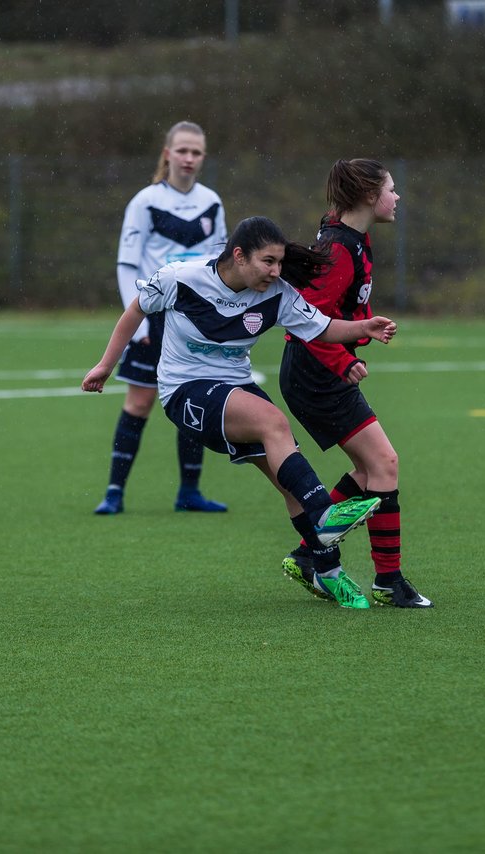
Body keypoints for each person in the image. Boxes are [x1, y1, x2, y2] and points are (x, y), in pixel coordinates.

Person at [83, 216, 397, 609]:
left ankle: (326, 571)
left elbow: (319, 328)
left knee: (289, 479)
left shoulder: (277, 293)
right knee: (274, 422)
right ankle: (324, 516)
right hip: (185, 392)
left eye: (280, 263)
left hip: (236, 388)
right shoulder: (181, 278)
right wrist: (105, 365)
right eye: (267, 261)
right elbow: (135, 311)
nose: (276, 271)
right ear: (238, 255)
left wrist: (363, 326)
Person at [278, 158, 433, 608]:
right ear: (369, 195)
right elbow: (305, 320)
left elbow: (335, 308)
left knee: (370, 471)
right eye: (391, 188)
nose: (397, 196)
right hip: (315, 372)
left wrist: (365, 326)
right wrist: (342, 358)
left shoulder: (350, 239)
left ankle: (310, 553)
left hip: (315, 370)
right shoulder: (340, 247)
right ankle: (389, 582)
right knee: (385, 463)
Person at [92, 120, 229, 515]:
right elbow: (126, 264)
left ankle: (189, 492)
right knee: (139, 402)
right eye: (182, 150)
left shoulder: (212, 202)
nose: (189, 158)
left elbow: (218, 262)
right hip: (152, 319)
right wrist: (133, 327)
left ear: (203, 157)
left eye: (196, 152)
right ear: (167, 153)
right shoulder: (145, 202)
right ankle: (114, 492)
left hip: (196, 319)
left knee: (195, 402)